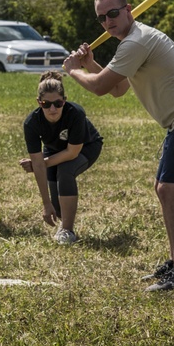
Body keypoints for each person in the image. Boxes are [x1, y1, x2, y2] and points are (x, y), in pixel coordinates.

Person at [62, 0, 174, 292]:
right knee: (163, 190)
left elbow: (98, 88)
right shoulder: (131, 42)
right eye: (101, 18)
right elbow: (118, 87)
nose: (108, 21)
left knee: (169, 190)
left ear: (128, 9)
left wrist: (73, 70)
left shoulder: (136, 41)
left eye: (112, 13)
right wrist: (91, 64)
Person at [18, 70, 103, 244]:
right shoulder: (31, 123)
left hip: (86, 146)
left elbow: (72, 152)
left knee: (65, 171)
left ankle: (67, 231)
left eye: (58, 103)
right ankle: (61, 219)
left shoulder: (75, 113)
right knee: (57, 208)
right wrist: (46, 204)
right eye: (46, 104)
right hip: (54, 149)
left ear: (64, 100)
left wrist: (40, 164)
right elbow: (39, 164)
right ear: (38, 102)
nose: (53, 109)